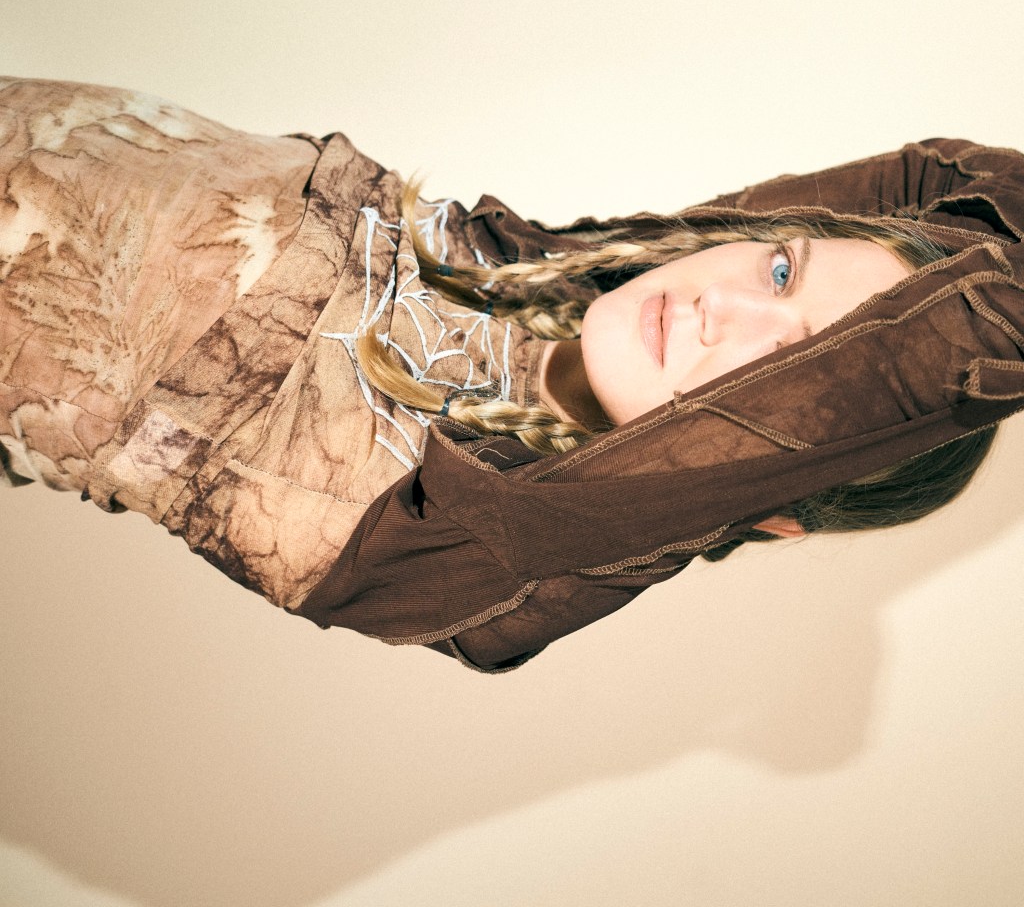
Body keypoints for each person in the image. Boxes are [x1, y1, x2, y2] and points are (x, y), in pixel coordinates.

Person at [1, 77, 1021, 672]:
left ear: (763, 496)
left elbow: (953, 341)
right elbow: (970, 190)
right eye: (781, 269)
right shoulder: (501, 268)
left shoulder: (470, 538)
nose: (726, 307)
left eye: (794, 368)